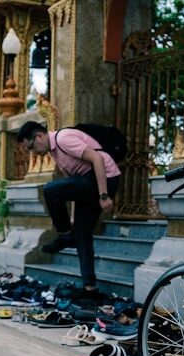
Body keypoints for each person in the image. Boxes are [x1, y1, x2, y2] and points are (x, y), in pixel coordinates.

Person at [17, 121, 120, 296]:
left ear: (40, 136)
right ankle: (90, 288)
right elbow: (74, 188)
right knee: (82, 234)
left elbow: (97, 159)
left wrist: (103, 195)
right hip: (89, 182)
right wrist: (72, 218)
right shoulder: (55, 153)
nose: (33, 153)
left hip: (105, 177)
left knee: (50, 190)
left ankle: (65, 235)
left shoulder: (63, 139)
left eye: (31, 147)